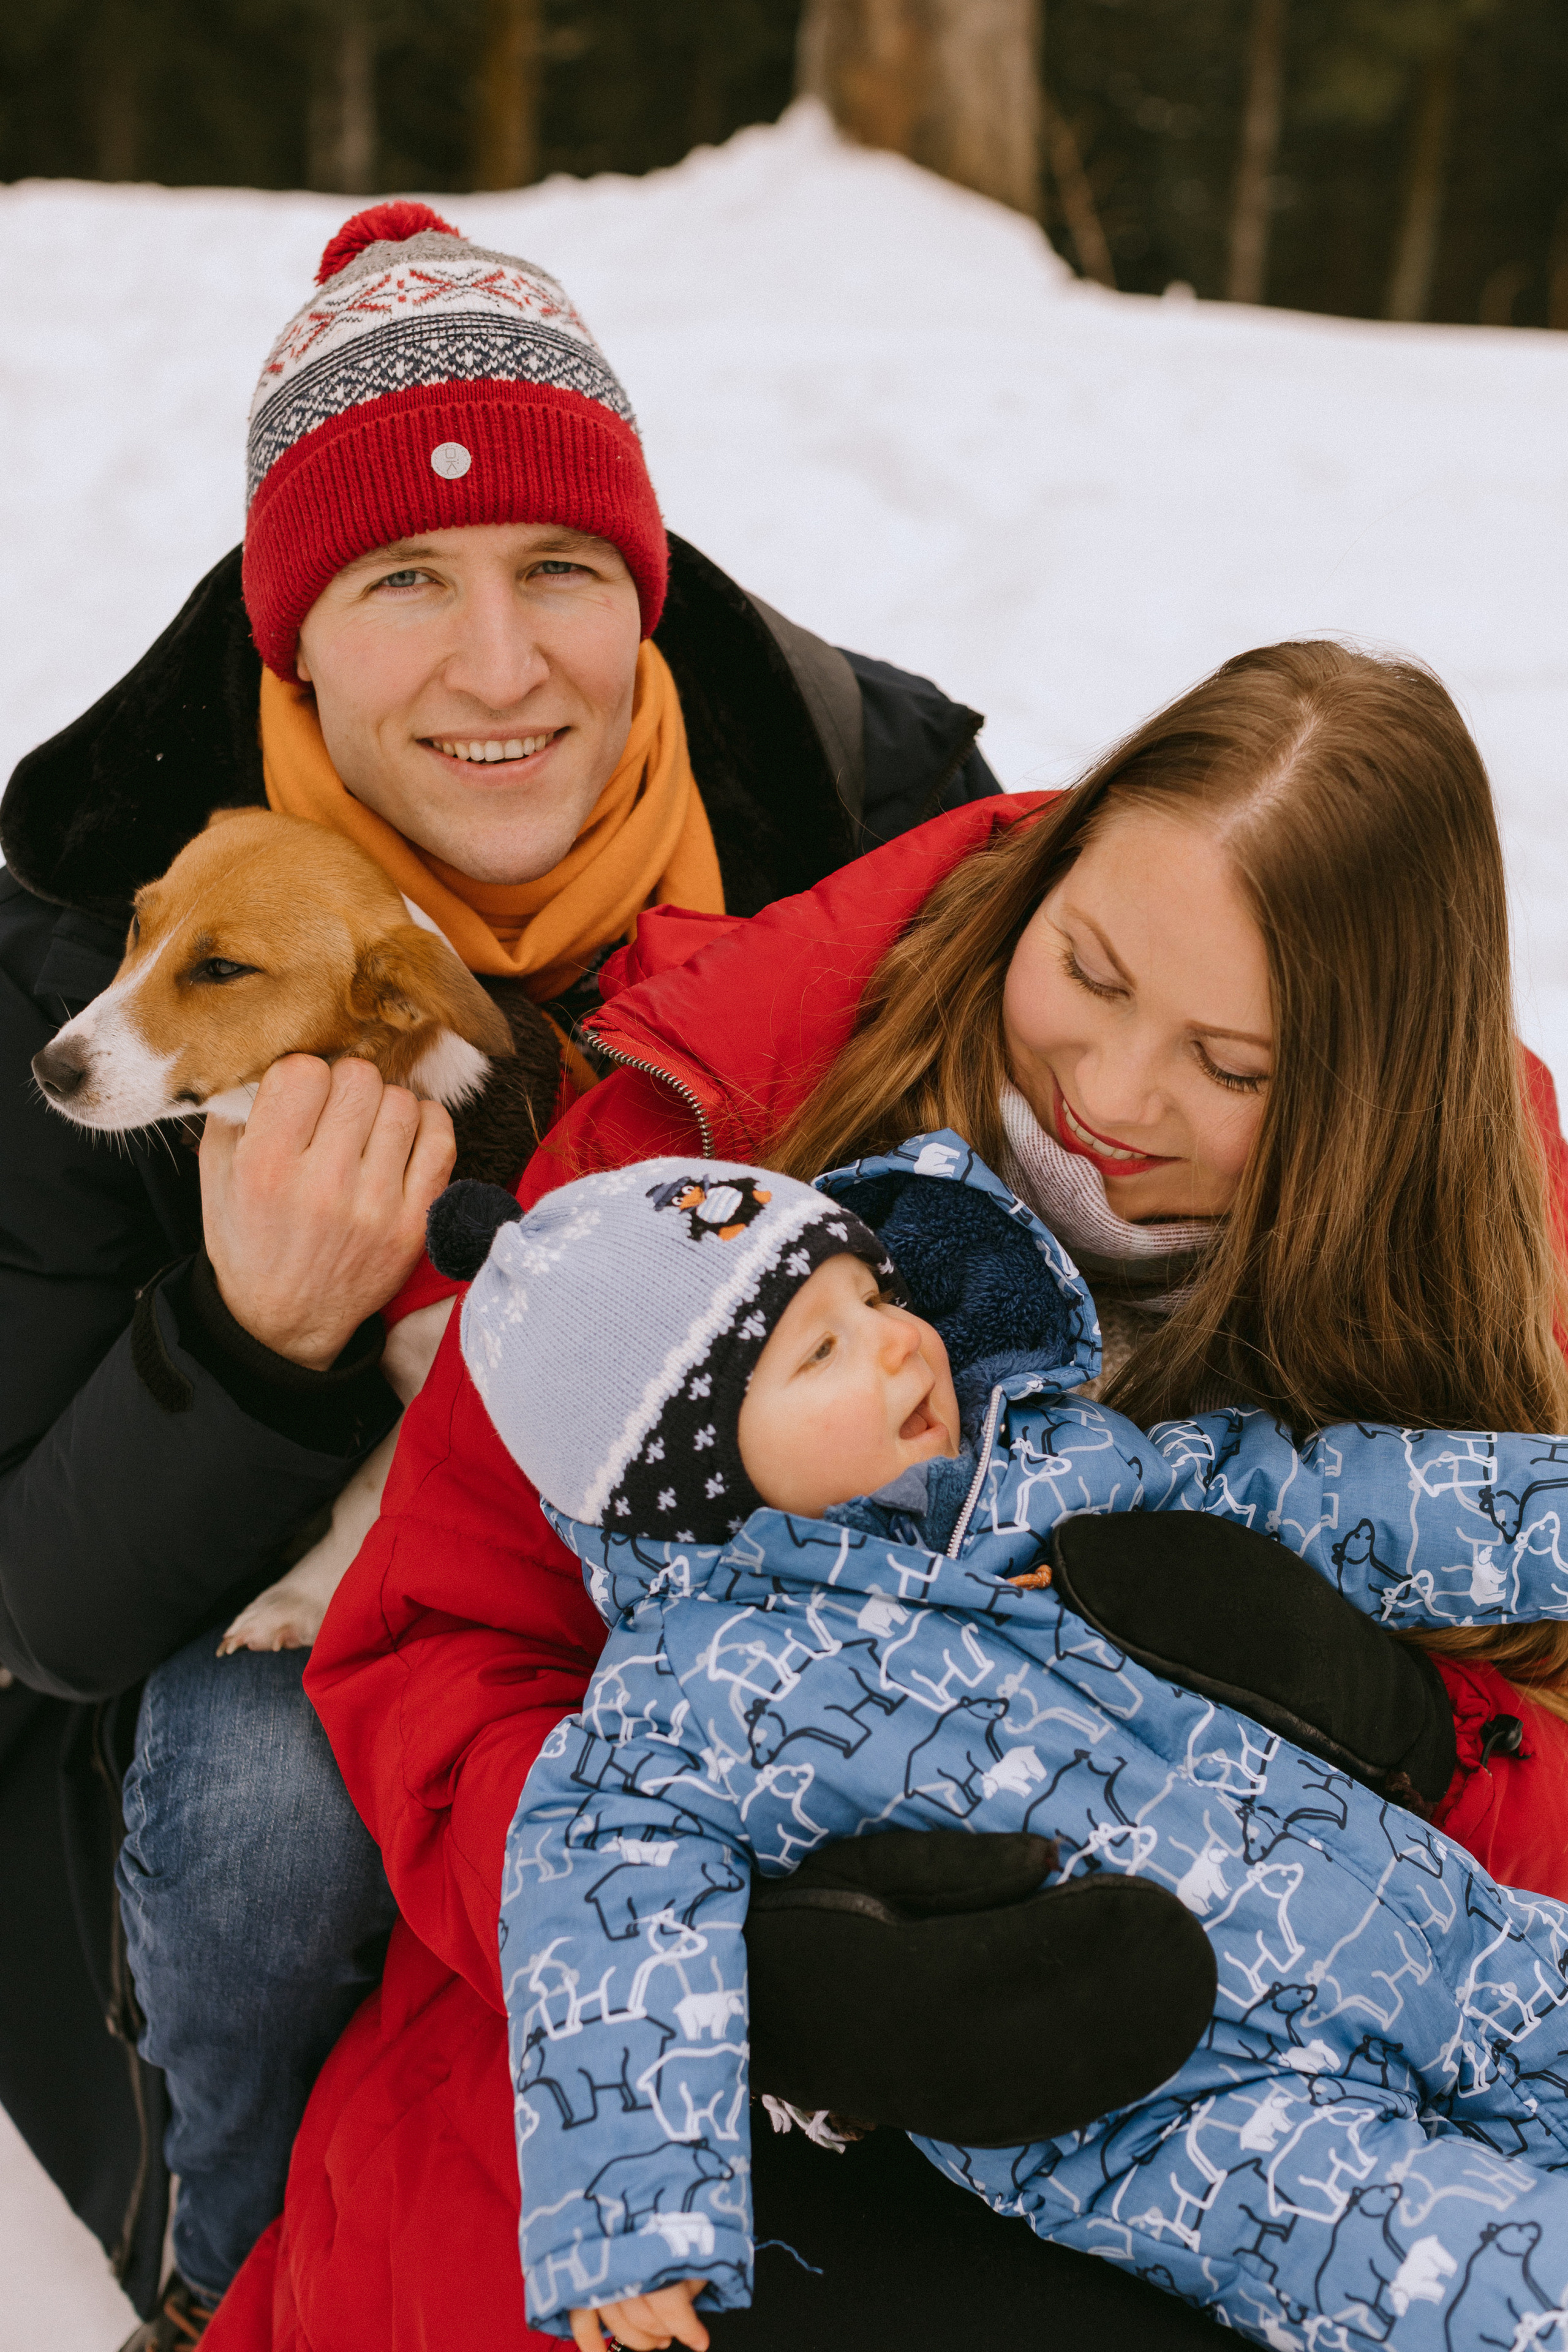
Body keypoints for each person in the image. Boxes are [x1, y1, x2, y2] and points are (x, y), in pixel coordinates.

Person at [208, 636, 1568, 2350]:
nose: (1112, 1096)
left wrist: (1418, 1737)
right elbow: (456, 1654)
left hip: (1393, 1960)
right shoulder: (687, 1193)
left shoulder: (1469, 1242)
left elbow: (1454, 1531)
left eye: (1236, 1068)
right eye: (1085, 970)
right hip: (1069, 2131)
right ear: (1041, 883)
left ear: (1375, 1096)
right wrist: (775, 1983)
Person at [0, 196, 1002, 2340]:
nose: (496, 664)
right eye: (401, 580)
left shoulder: (872, 828)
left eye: (559, 566)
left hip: (749, 1577)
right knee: (277, 1785)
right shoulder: (85, 958)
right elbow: (33, 1615)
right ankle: (237, 2273)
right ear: (291, 636)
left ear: (645, 589)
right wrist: (252, 1347)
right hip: (255, 1710)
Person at [451, 1138, 1568, 2350]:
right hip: (1194, 2120)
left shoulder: (1057, 1470)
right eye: (819, 1350)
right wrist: (632, 2227)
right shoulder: (682, 1701)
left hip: (1440, 1937)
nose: (897, 1341)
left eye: (876, 1298)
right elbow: (607, 1942)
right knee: (1509, 2292)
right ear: (687, 1469)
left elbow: (1317, 1497)